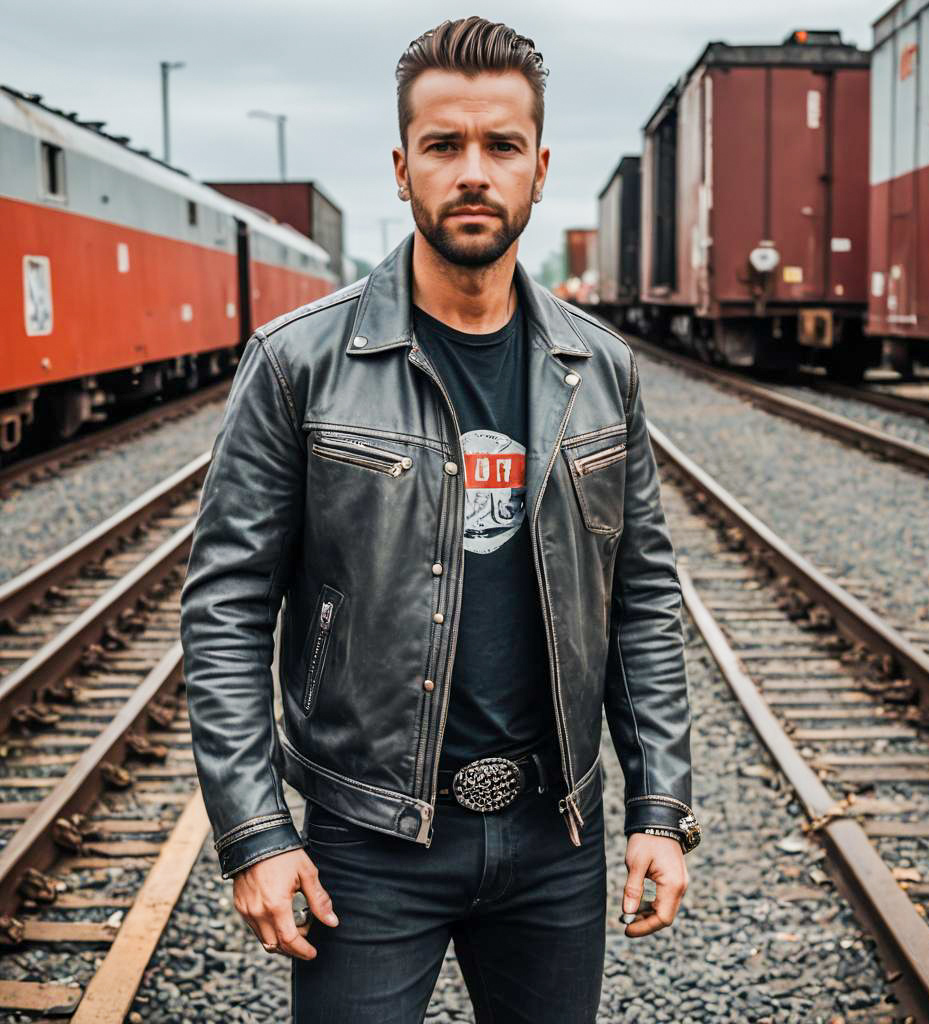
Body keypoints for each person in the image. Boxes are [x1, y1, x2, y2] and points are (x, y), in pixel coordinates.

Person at [179, 16, 700, 1023]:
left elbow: (641, 599)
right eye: (443, 144)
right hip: (367, 843)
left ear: (539, 169)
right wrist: (255, 831)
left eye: (501, 146)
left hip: (556, 835)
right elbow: (225, 607)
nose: (472, 172)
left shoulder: (603, 369)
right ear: (400, 166)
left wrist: (659, 808)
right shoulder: (297, 362)